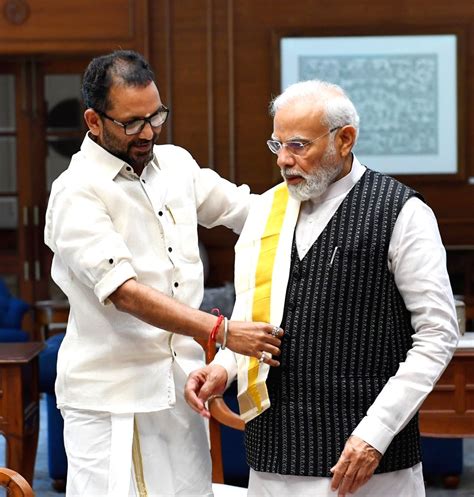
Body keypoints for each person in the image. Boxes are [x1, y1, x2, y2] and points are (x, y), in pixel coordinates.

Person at [185, 80, 459, 497]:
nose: (284, 161)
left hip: (365, 463)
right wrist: (223, 367)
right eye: (277, 146)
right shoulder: (268, 210)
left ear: (345, 139)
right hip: (272, 455)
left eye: (298, 145)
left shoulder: (403, 212)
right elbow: (255, 314)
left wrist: (376, 433)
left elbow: (438, 333)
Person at [44, 50, 282, 497]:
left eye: (156, 116)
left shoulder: (175, 164)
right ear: (94, 121)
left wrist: (324, 200)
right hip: (112, 394)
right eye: (132, 122)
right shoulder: (74, 191)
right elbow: (125, 293)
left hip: (180, 385)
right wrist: (222, 331)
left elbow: (246, 210)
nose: (148, 132)